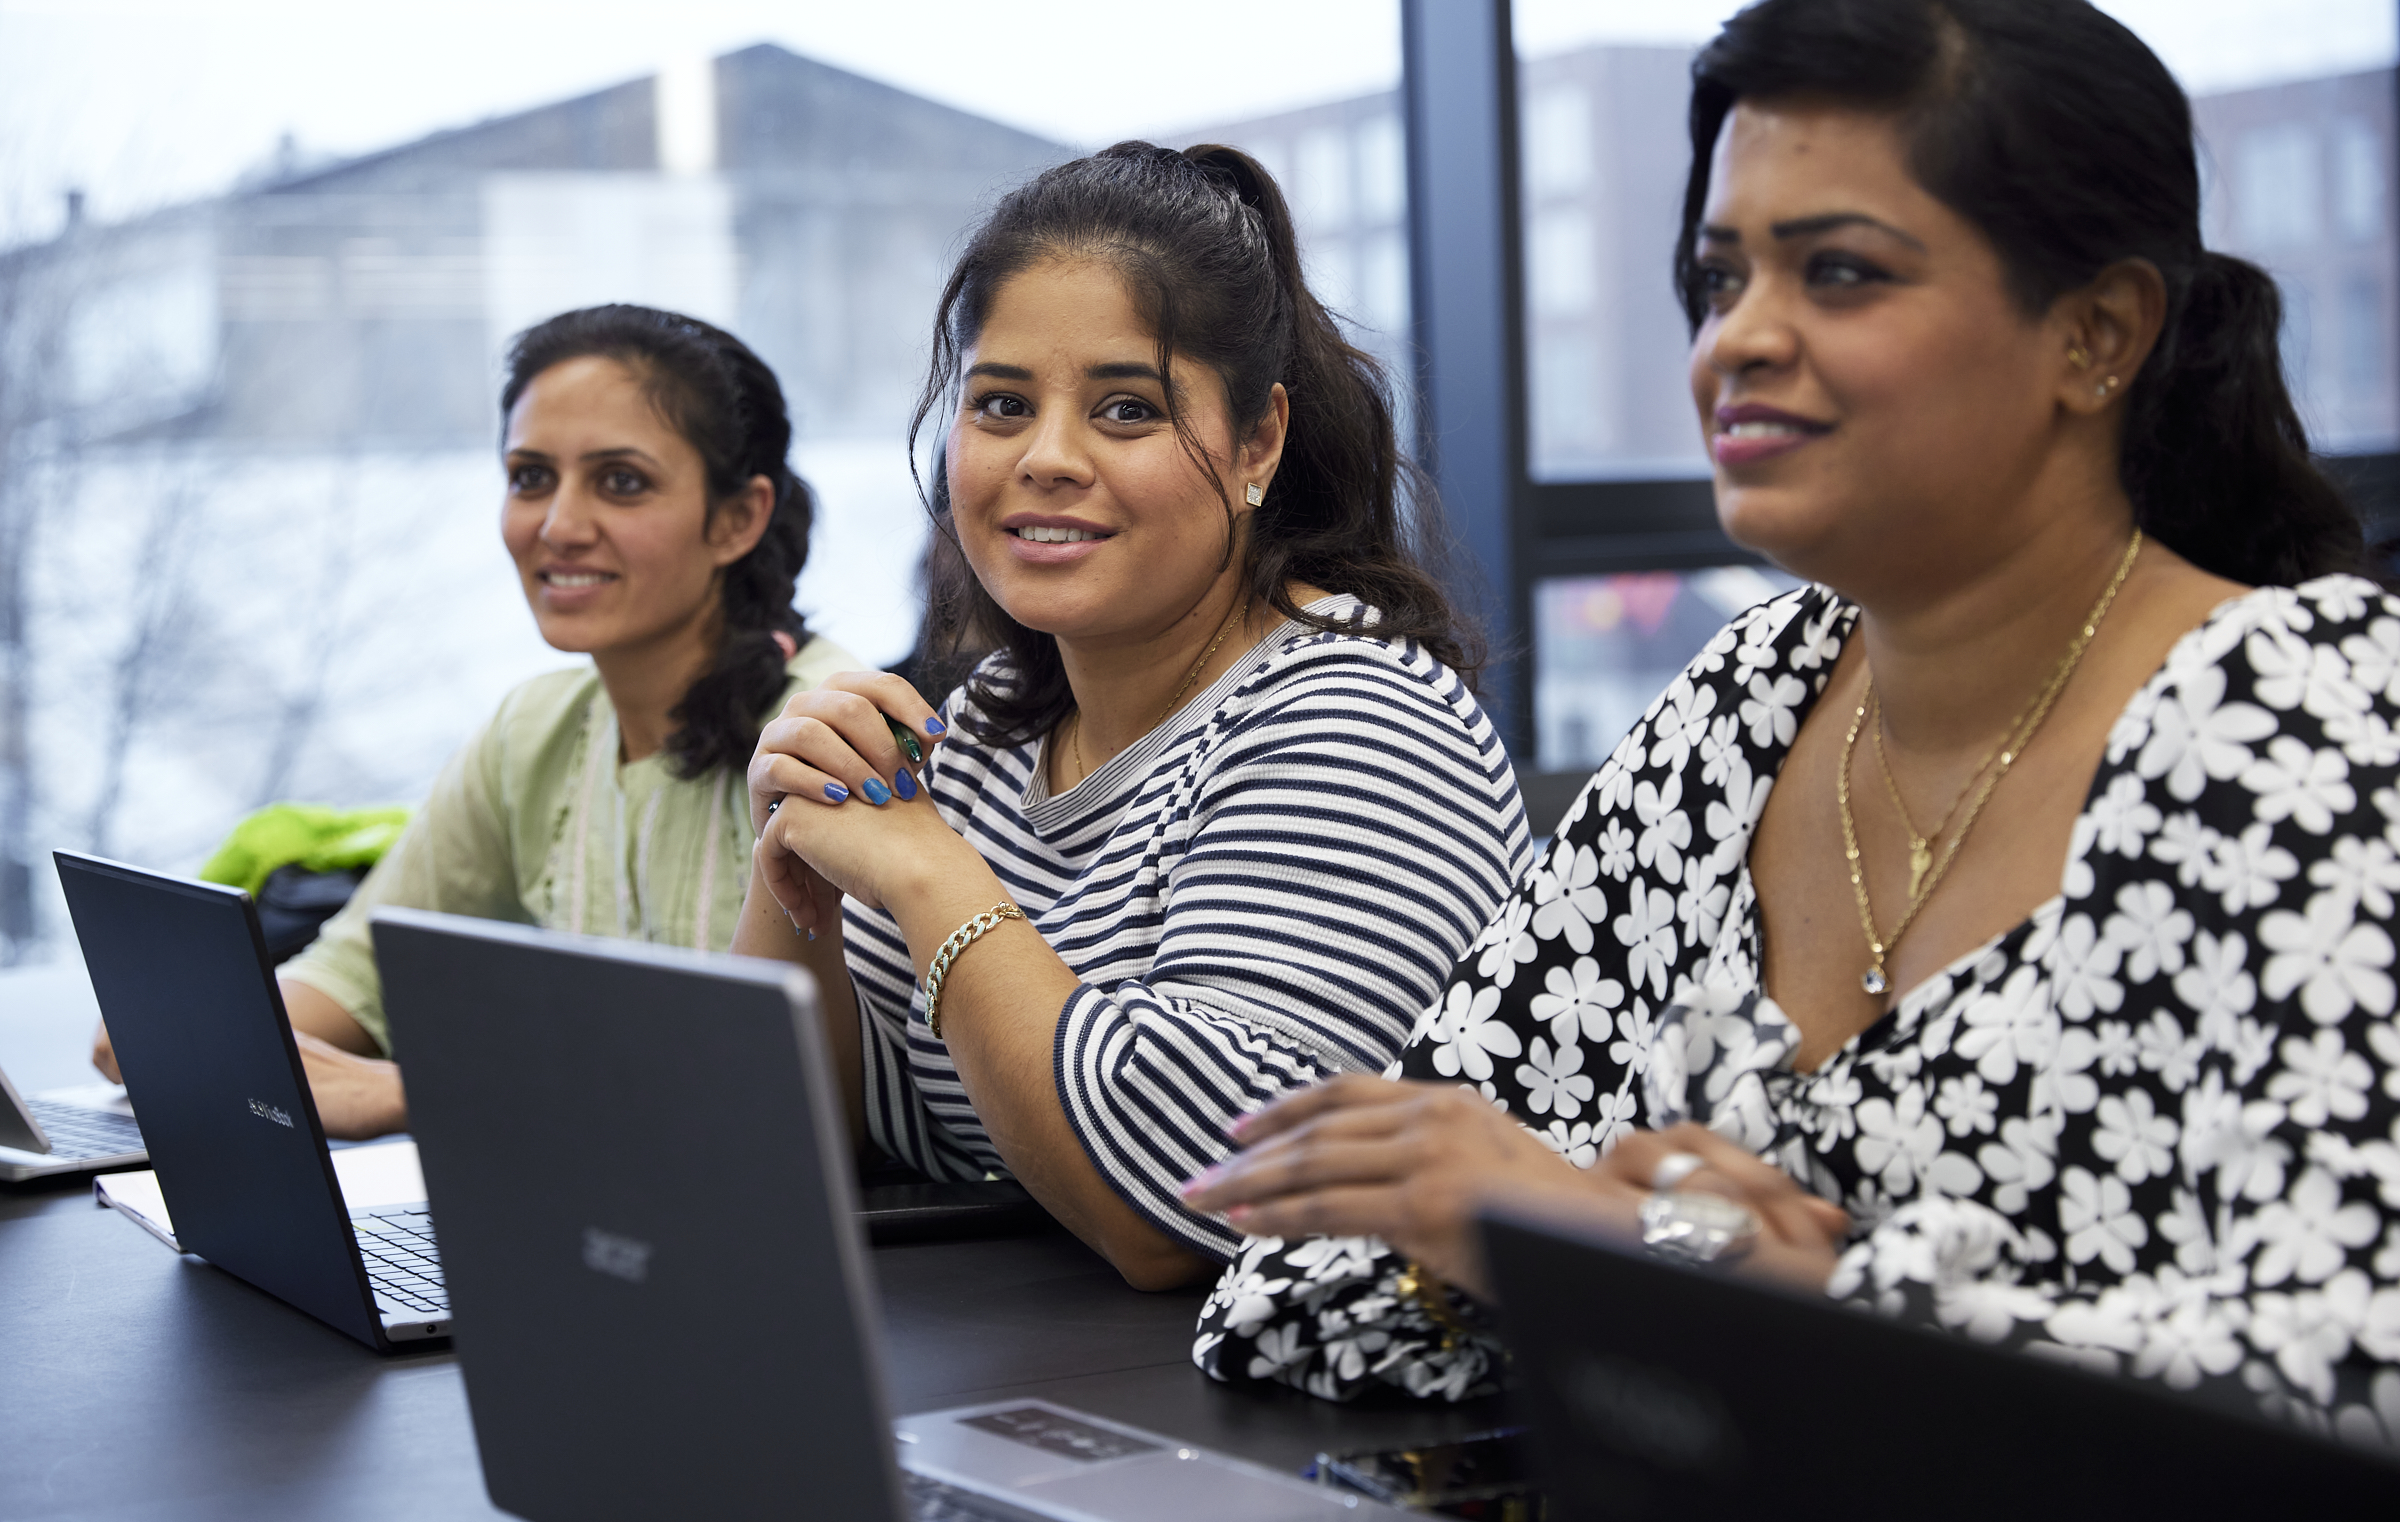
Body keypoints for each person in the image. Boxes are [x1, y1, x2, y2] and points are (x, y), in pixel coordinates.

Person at [1182, 0, 2400, 1447]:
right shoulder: (1743, 705)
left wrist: (1706, 1263)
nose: (1736, 341)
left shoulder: (2303, 719)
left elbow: (2343, 1383)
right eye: (1719, 274)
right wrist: (1633, 1243)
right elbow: (1301, 1272)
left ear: (2097, 334)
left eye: (1839, 272)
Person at [730, 143, 1530, 1291]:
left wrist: (926, 873)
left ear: (1258, 442)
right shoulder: (994, 722)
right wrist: (794, 844)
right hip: (1016, 1389)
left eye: (1126, 408)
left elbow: (1194, 1201)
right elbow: (799, 1136)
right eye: (1002, 403)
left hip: (1285, 1439)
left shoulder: (1359, 716)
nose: (1047, 459)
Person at [94, 305, 863, 1137]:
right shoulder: (534, 730)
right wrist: (177, 1031)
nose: (558, 526)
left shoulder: (821, 736)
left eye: (621, 481)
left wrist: (413, 1092)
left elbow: (778, 1105)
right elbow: (352, 973)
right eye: (531, 477)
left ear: (738, 518)